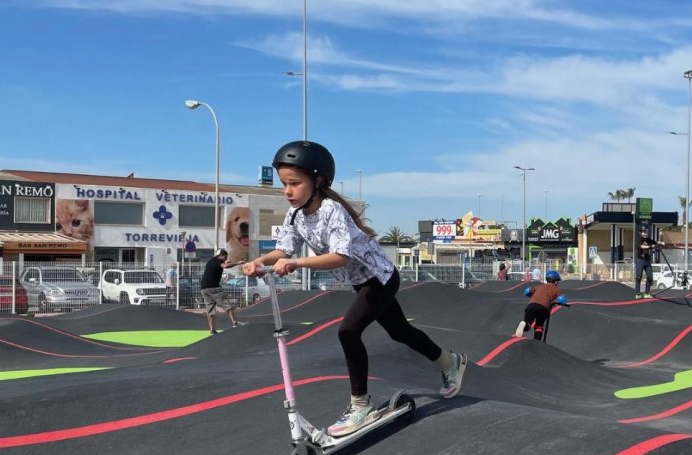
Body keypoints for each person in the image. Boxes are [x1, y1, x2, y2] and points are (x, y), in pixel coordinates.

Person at [242, 140, 468, 438]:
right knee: (400, 331)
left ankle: (360, 406)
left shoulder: (332, 210)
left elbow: (340, 256)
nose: (287, 191)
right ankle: (451, 362)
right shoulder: (295, 215)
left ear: (318, 180)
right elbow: (283, 249)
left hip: (380, 277)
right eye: (284, 184)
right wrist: (259, 260)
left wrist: (297, 263)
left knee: (348, 331)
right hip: (362, 282)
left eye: (294, 183)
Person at [201, 249, 244, 333]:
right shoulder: (219, 261)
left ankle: (212, 330)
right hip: (214, 287)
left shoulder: (211, 261)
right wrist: (237, 263)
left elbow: (221, 265)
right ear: (221, 255)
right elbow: (225, 266)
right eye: (225, 257)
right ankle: (235, 323)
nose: (225, 259)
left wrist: (226, 262)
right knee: (226, 304)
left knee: (210, 309)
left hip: (204, 288)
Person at [515, 270, 567, 340]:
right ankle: (537, 341)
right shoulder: (557, 290)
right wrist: (560, 303)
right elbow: (562, 300)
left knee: (528, 324)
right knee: (539, 326)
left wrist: (530, 296)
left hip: (531, 306)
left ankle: (524, 324)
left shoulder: (539, 286)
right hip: (543, 308)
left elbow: (527, 291)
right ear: (556, 282)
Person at [634, 229, 657, 298]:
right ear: (641, 233)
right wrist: (650, 246)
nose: (645, 234)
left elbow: (655, 242)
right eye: (644, 233)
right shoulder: (639, 240)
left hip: (647, 260)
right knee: (638, 277)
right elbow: (641, 246)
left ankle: (647, 293)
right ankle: (638, 293)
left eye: (646, 233)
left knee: (650, 277)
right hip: (640, 260)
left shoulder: (648, 240)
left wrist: (661, 243)